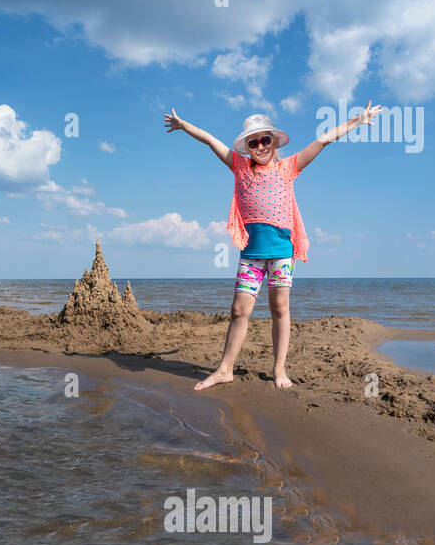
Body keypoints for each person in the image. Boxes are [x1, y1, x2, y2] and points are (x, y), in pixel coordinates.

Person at [163, 102, 383, 390]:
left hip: (281, 253)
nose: (260, 146)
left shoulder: (288, 167)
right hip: (251, 255)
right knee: (239, 311)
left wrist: (358, 119)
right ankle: (225, 369)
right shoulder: (239, 167)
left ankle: (279, 369)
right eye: (253, 142)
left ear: (273, 141)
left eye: (265, 140)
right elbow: (209, 140)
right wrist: (184, 126)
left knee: (280, 308)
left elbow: (324, 140)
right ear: (248, 147)